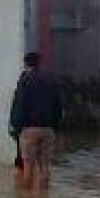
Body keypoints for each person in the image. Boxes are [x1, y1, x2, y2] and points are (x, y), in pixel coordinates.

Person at [9, 52, 63, 190]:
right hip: (48, 129)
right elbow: (58, 105)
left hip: (29, 129)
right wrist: (56, 126)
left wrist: (15, 125)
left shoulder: (25, 80)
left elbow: (19, 104)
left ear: (26, 64)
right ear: (39, 63)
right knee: (45, 167)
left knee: (28, 167)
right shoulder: (52, 80)